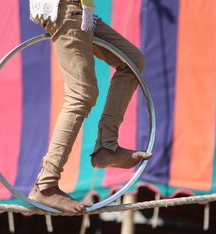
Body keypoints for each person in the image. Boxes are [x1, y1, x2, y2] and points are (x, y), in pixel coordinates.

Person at [28, 0, 152, 214]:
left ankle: (107, 146)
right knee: (81, 95)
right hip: (66, 8)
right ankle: (46, 184)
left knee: (132, 61)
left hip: (81, 11)